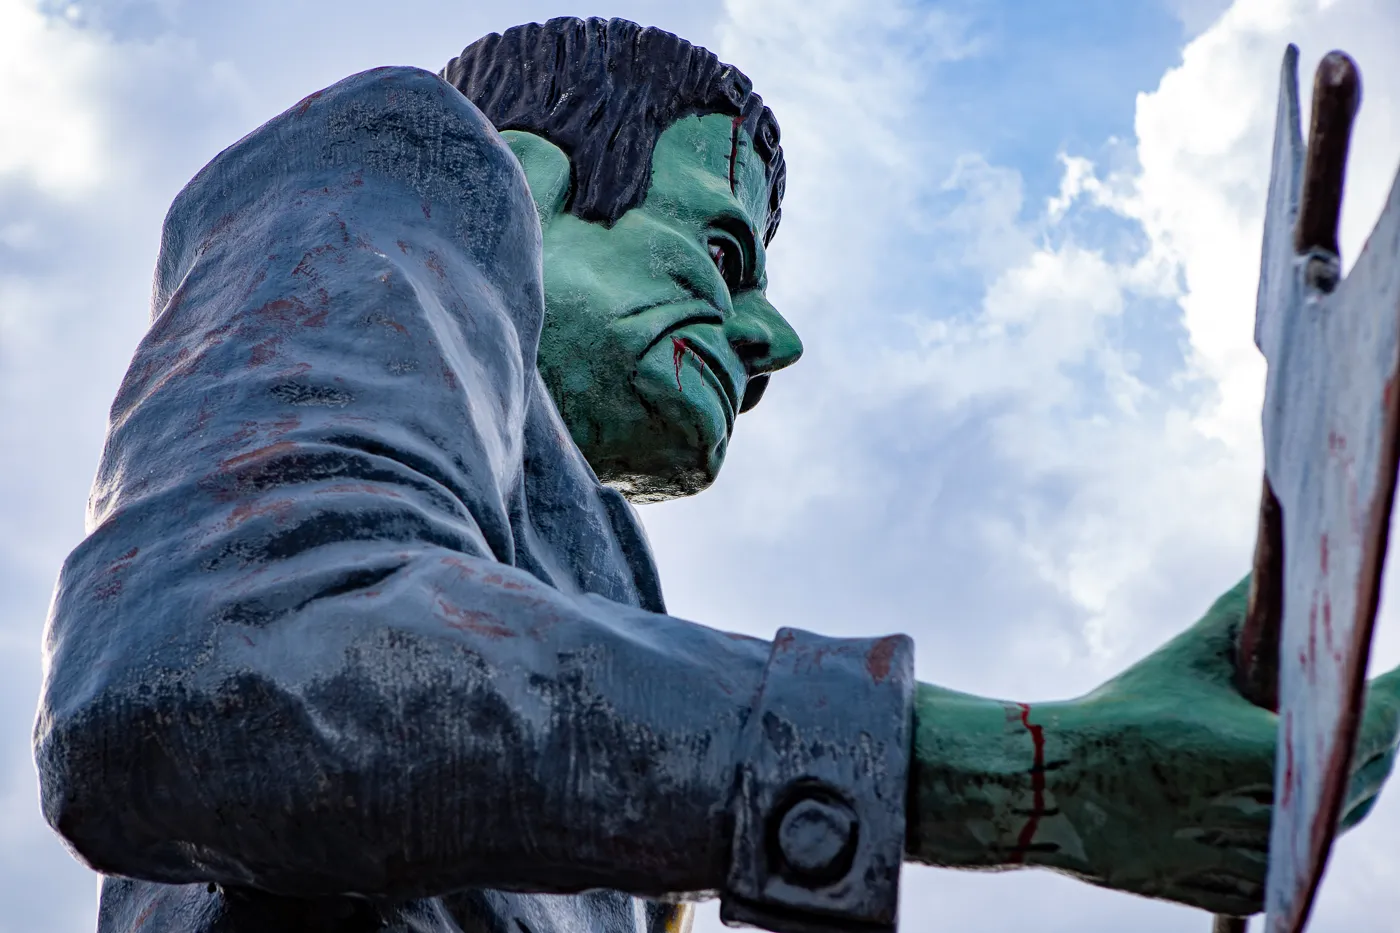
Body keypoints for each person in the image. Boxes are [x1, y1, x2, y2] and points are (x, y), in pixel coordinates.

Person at [32, 16, 1400, 933]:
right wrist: (1034, 776)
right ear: (532, 183)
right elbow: (202, 666)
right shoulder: (410, 156)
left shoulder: (610, 613)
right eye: (722, 253)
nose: (773, 338)